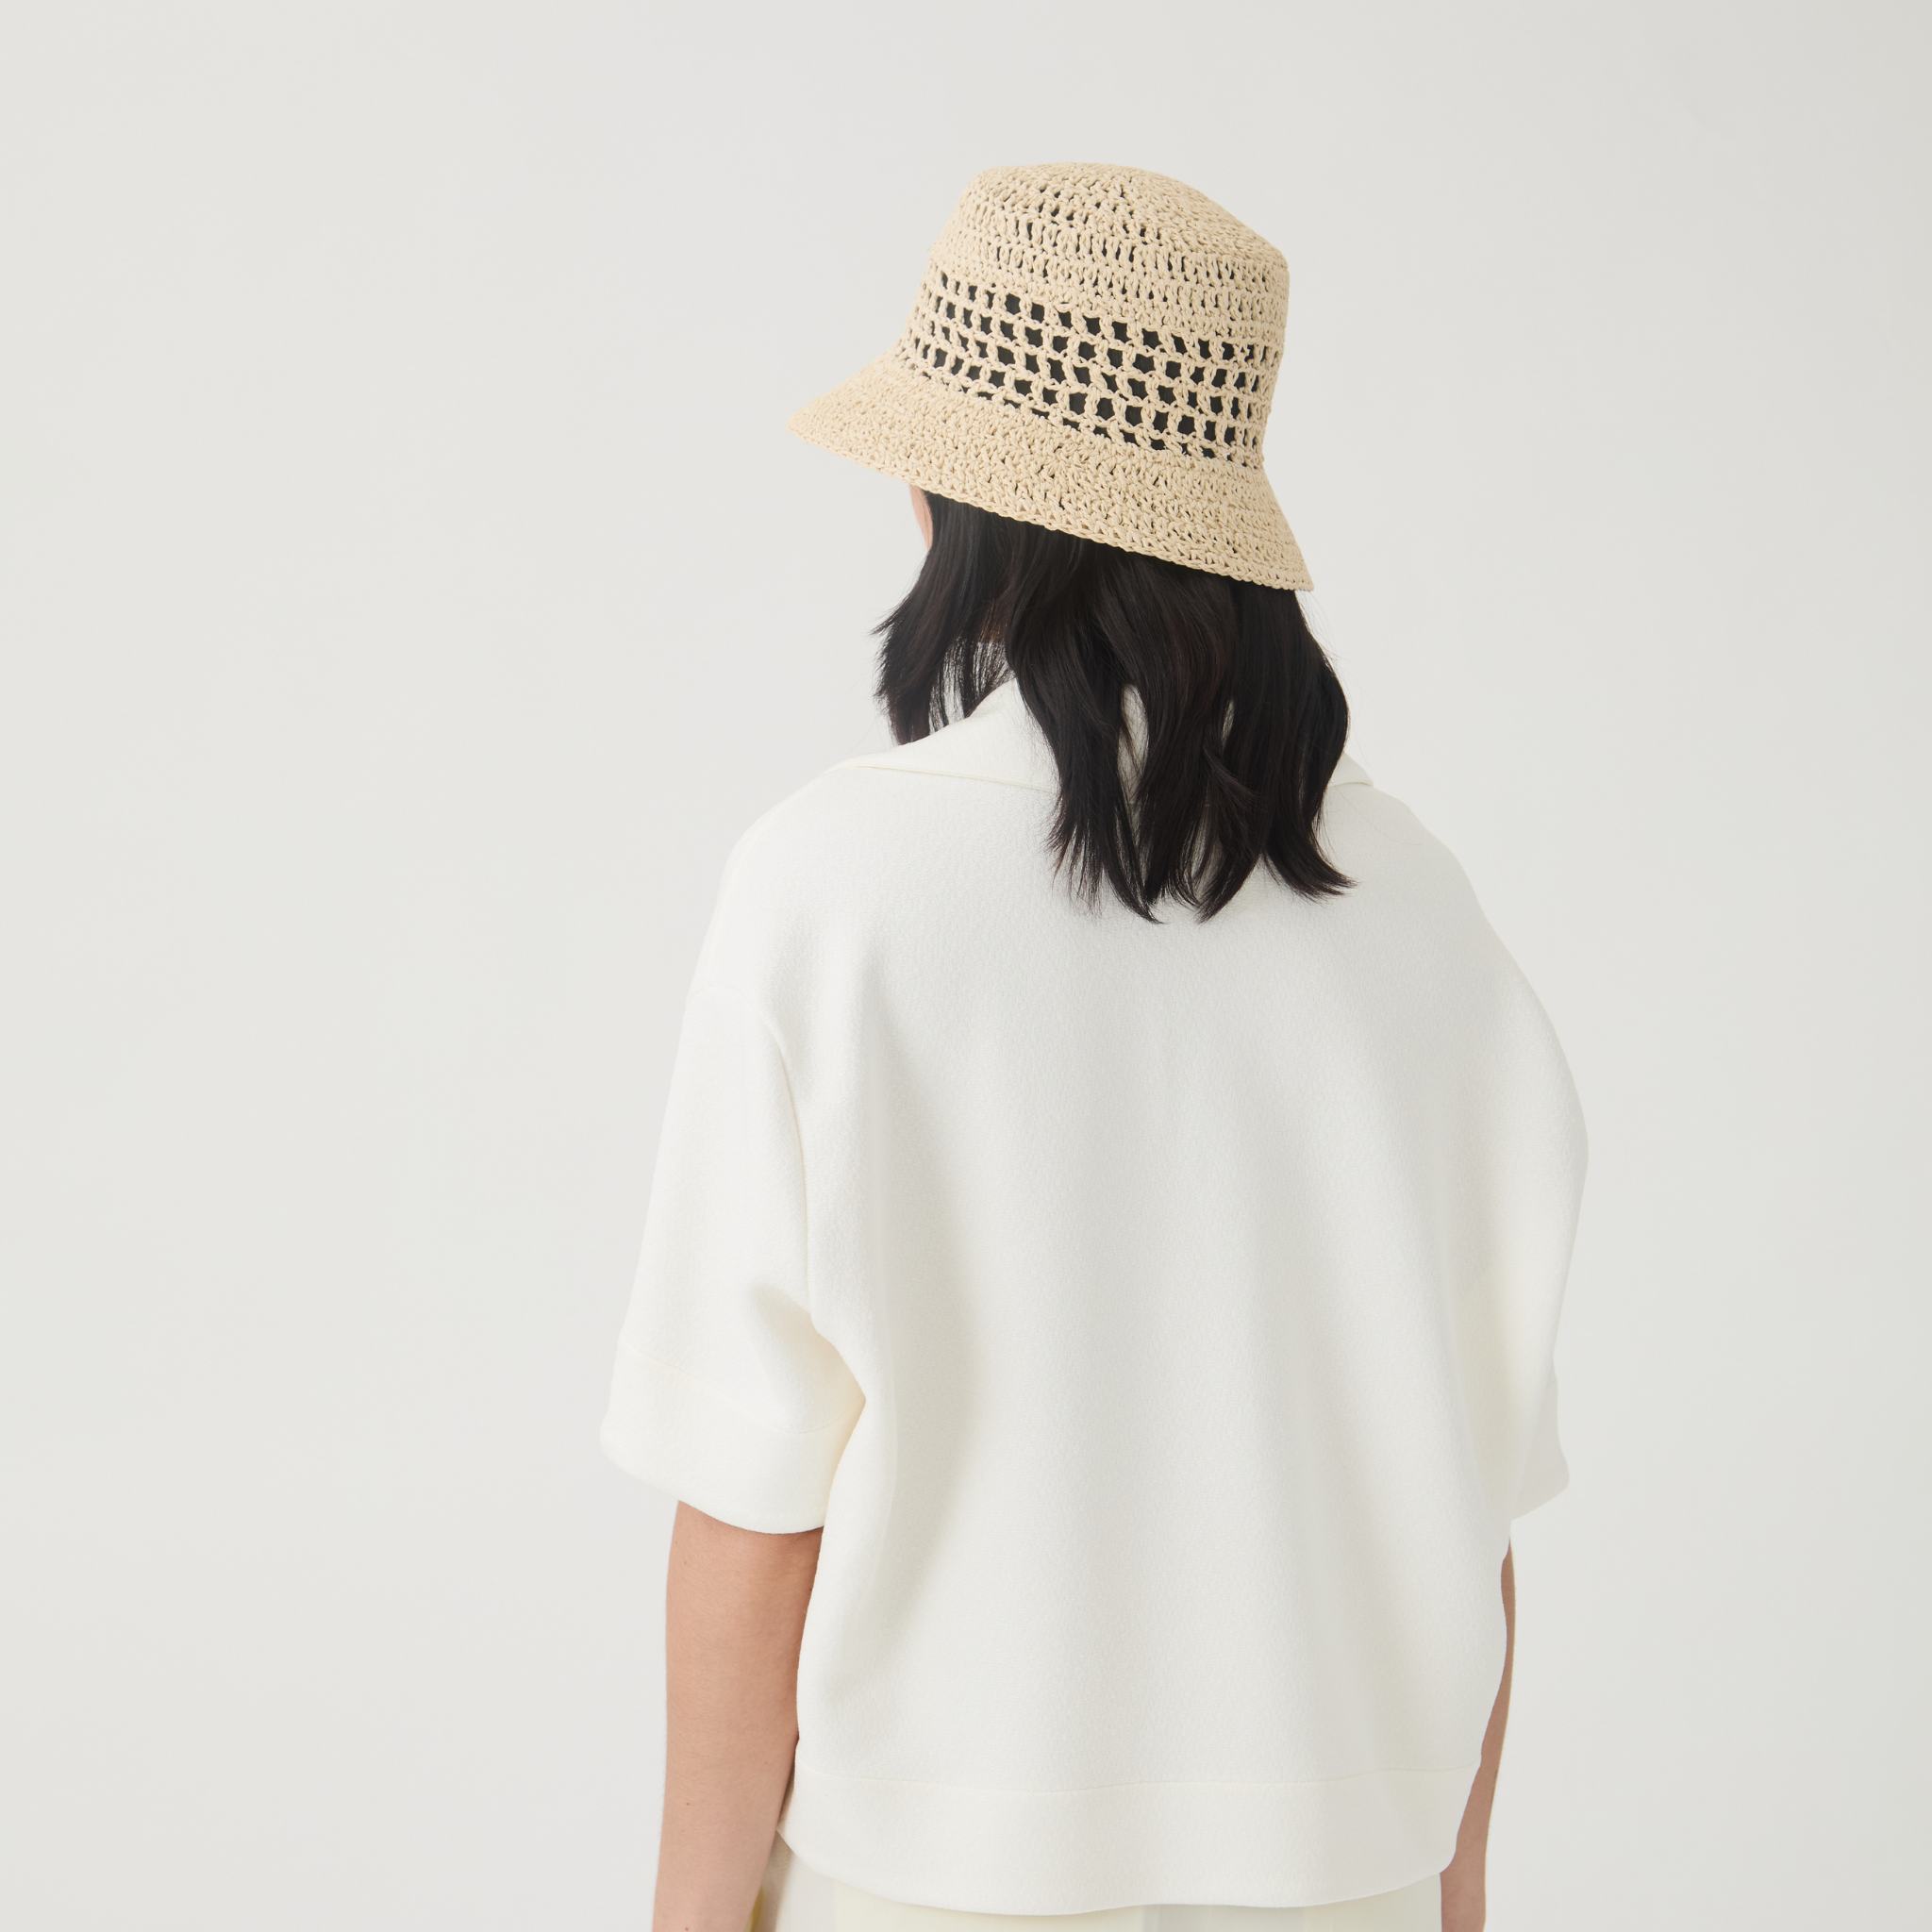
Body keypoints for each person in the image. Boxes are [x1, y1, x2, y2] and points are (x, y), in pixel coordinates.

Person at [602, 164, 1585, 1932]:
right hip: (1343, 1882)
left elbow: (753, 1516)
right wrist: (1455, 1904)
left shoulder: (832, 889)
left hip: (927, 1886)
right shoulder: (1427, 918)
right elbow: (1467, 1513)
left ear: (957, 500)